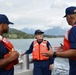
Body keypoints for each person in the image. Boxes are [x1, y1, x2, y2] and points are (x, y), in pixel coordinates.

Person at [41, 6, 76, 75]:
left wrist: (54, 54)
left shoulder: (74, 29)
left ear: (68, 16)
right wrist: (66, 48)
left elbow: (74, 52)